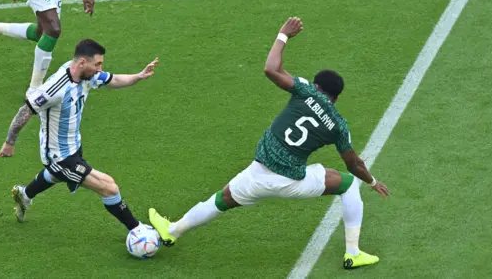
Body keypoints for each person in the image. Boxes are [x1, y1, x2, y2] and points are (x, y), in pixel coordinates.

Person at [149, 17, 389, 269]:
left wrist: (283, 35)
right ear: (336, 97)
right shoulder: (339, 125)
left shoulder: (306, 91)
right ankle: (353, 253)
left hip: (257, 176)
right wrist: (372, 182)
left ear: (316, 85)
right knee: (349, 185)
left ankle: (172, 231)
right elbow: (354, 164)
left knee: (220, 200)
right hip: (294, 183)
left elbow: (271, 69)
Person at [0, 38, 159, 234]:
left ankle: (25, 195)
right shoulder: (55, 89)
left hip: (74, 145)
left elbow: (113, 80)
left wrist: (139, 76)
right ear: (82, 62)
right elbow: (25, 111)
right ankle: (137, 230)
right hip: (60, 156)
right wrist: (10, 142)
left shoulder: (86, 75)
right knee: (109, 187)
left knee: (56, 176)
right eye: (97, 64)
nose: (100, 69)